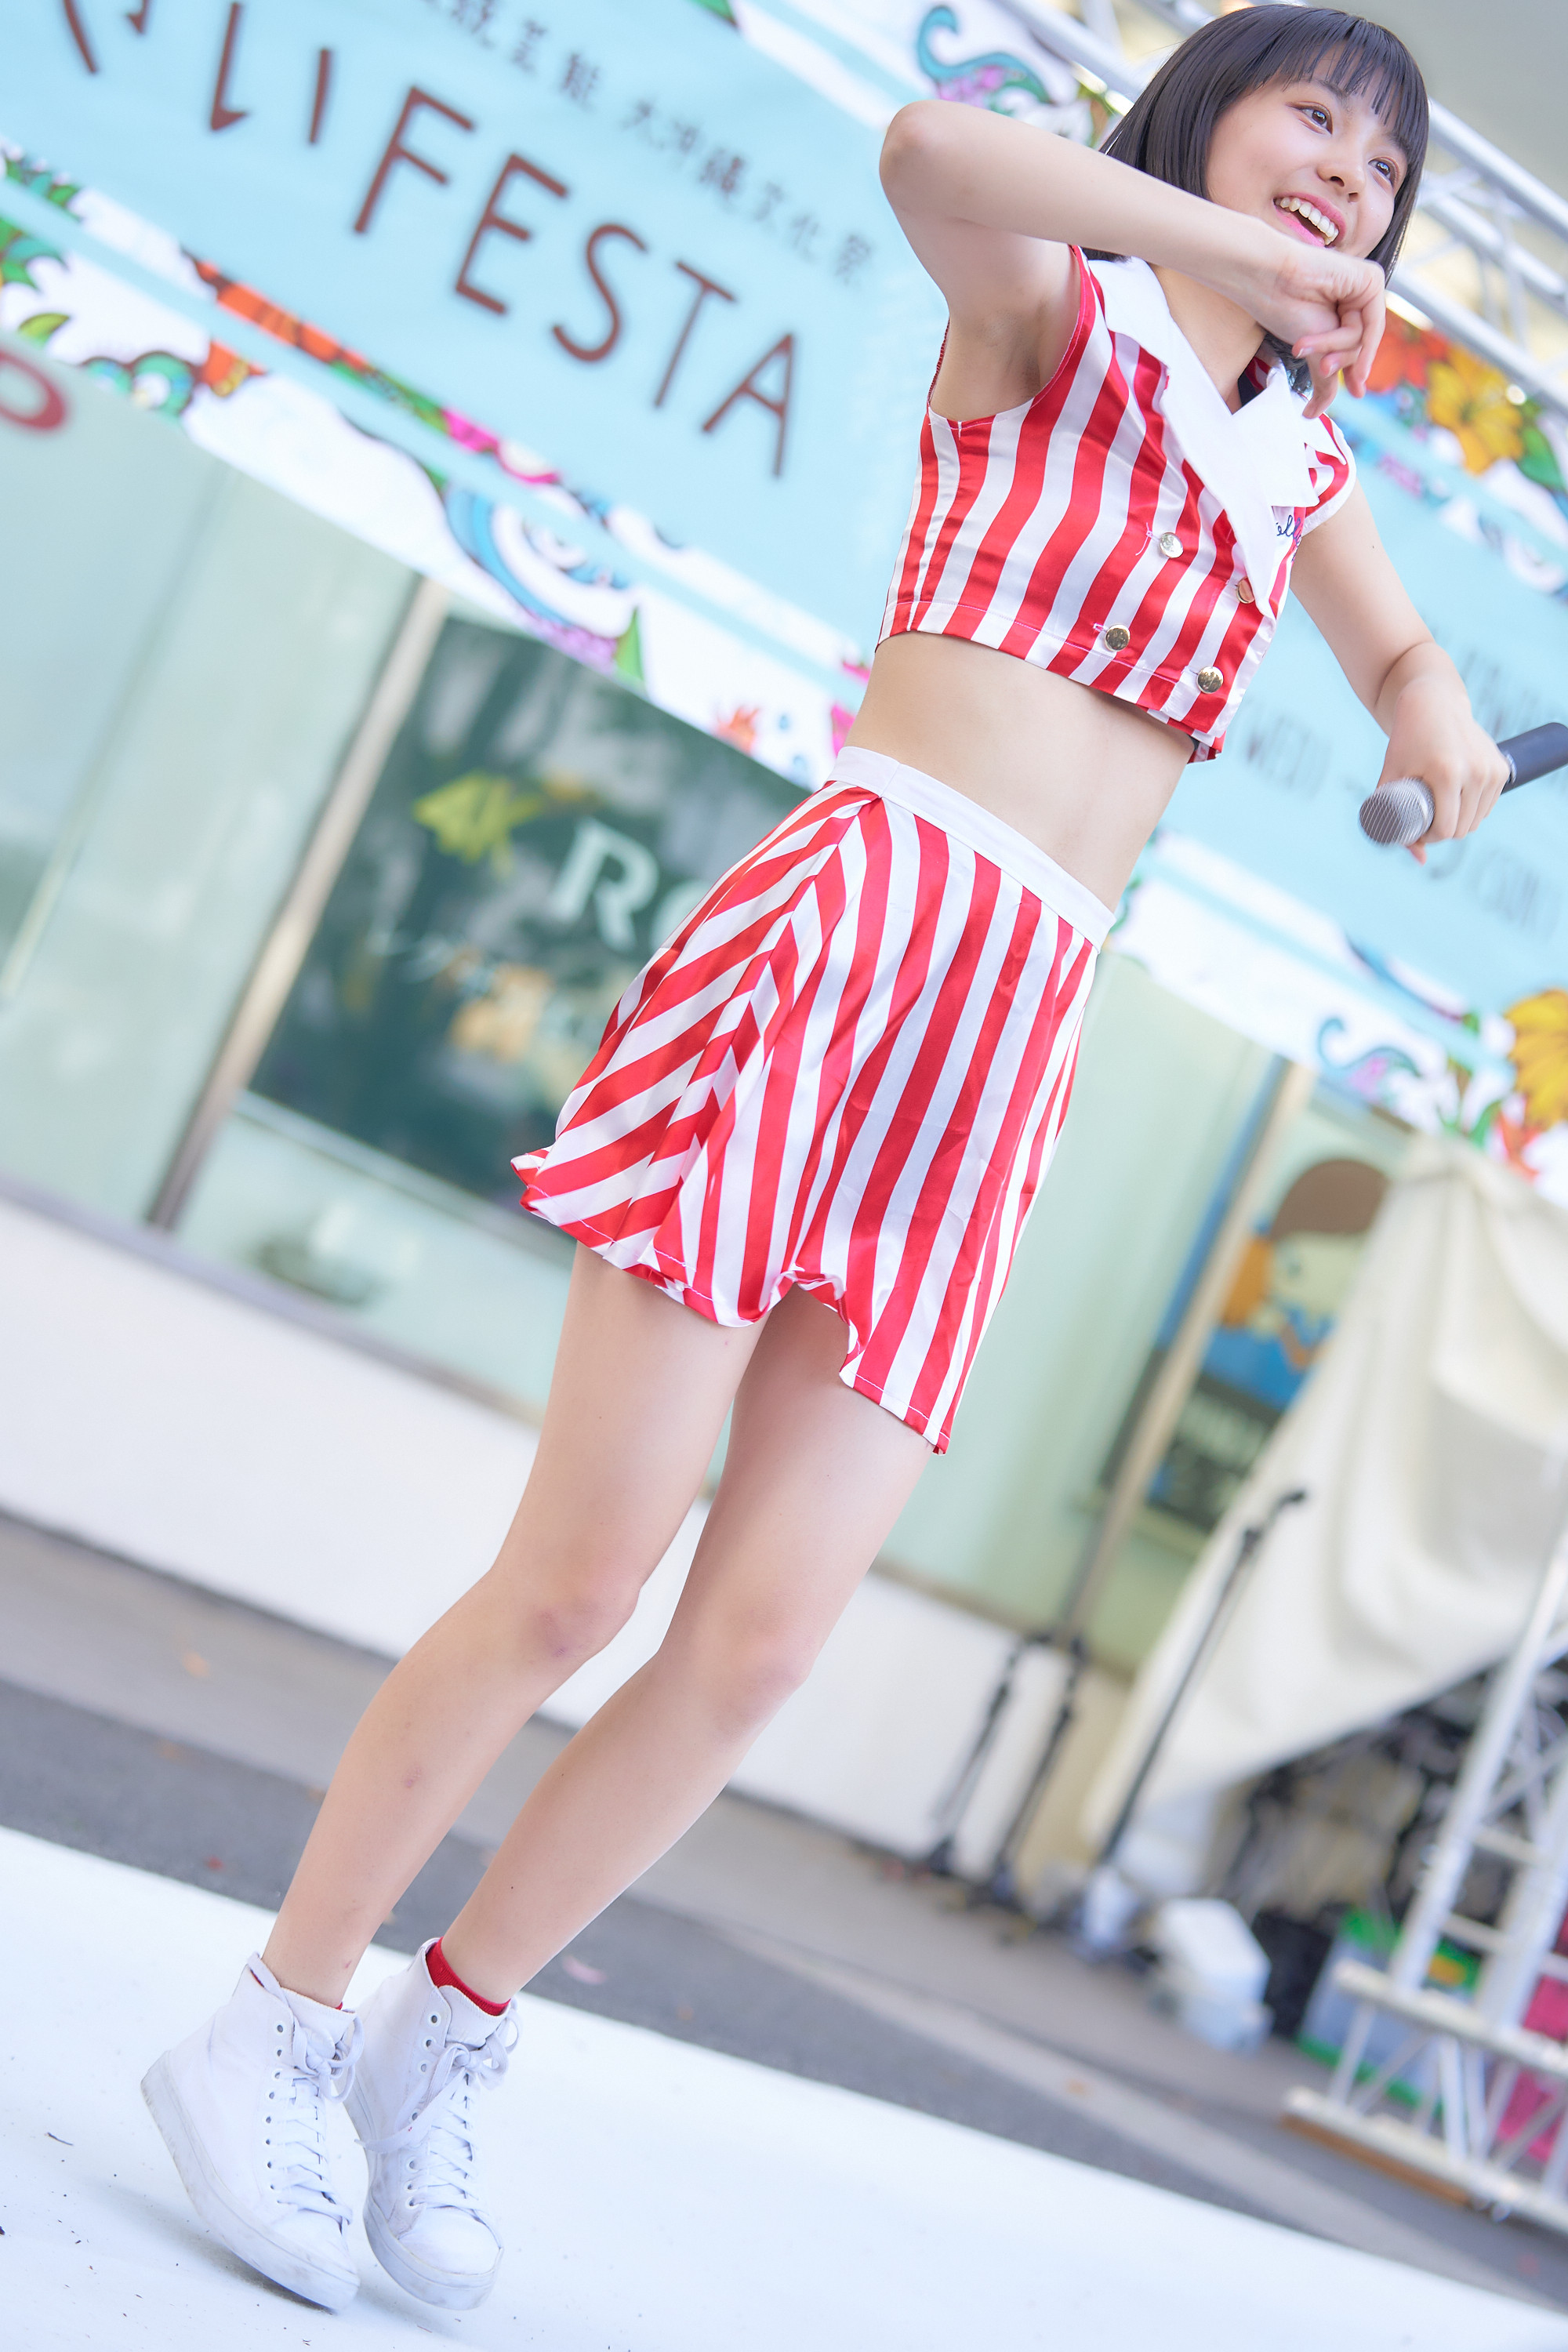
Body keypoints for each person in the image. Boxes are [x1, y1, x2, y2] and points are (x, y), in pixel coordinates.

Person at [143, 5, 1505, 2316]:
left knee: (760, 1642)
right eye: (1315, 120)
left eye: (1384, 169)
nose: (1347, 180)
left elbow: (1400, 665)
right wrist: (1230, 257)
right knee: (578, 1581)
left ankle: (435, 2044)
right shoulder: (1054, 302)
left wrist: (1434, 706)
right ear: (1205, 121)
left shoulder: (1297, 461)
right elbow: (930, 143)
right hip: (854, 938)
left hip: (1010, 1032)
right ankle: (270, 2016)